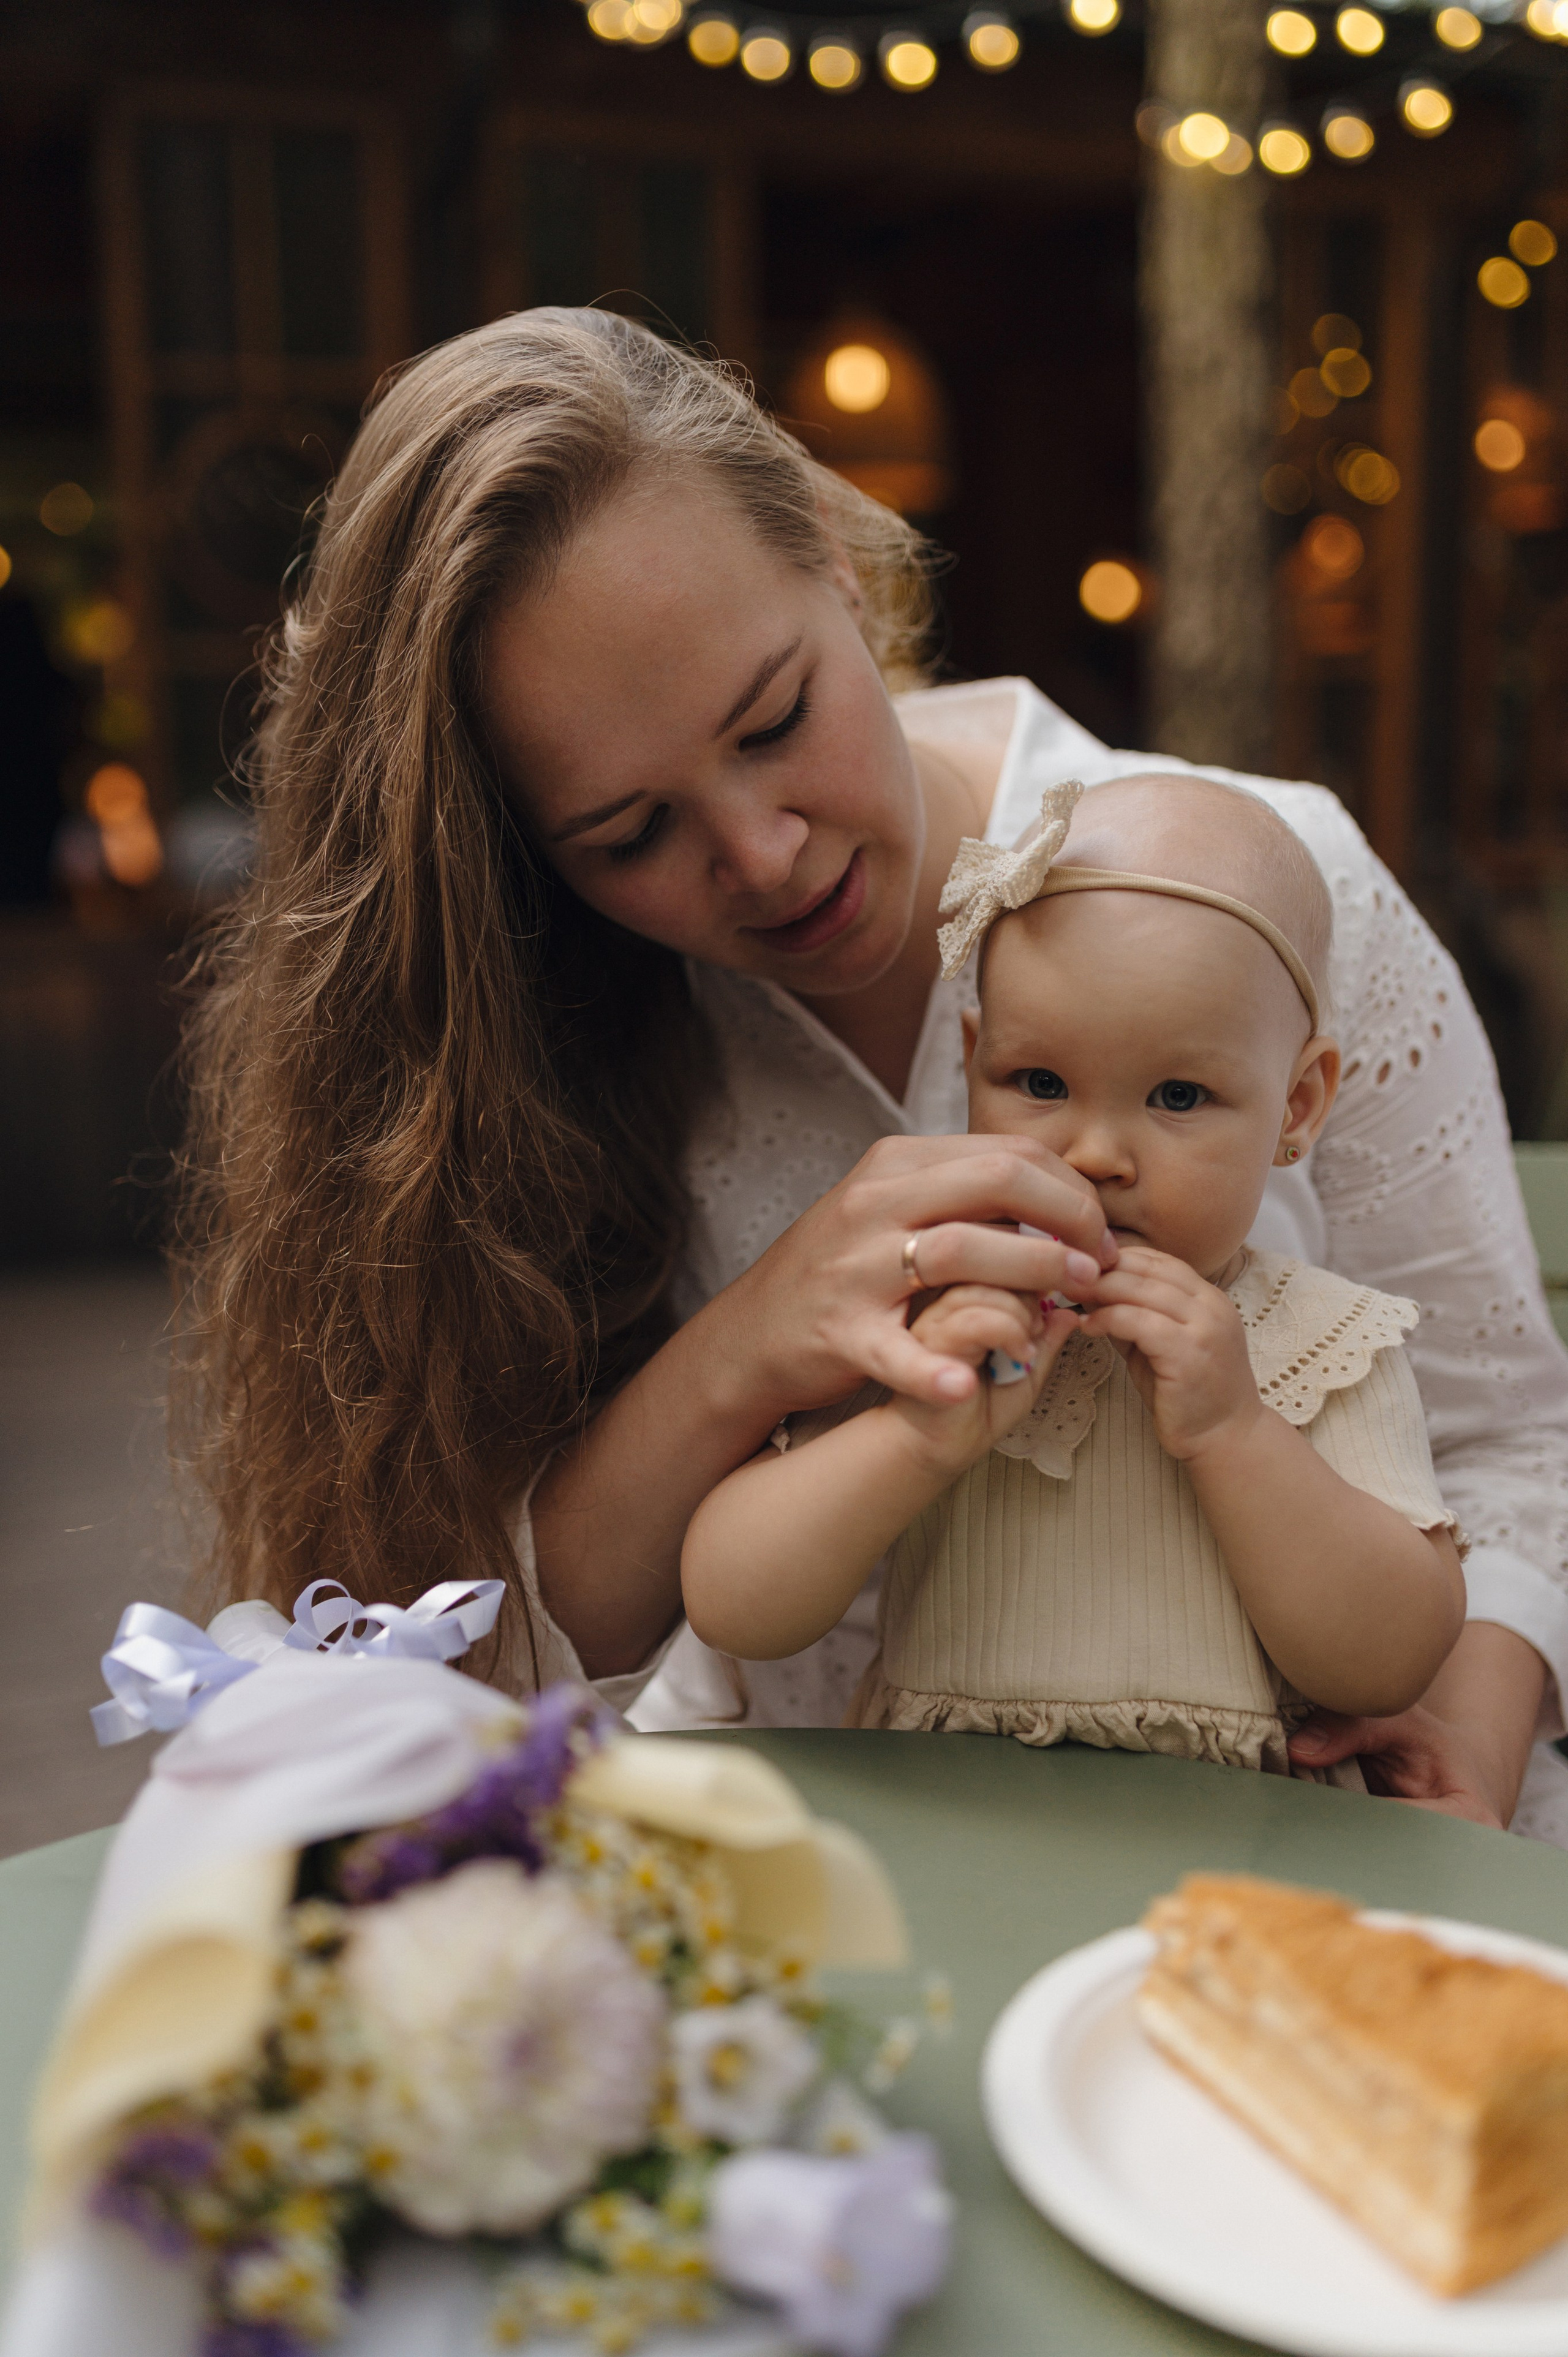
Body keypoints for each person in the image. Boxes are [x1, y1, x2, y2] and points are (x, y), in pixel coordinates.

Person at [175, 306, 1568, 1840]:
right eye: (628, 834)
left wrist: (1470, 1741)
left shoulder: (1268, 898)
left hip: (1291, 1853)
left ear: (842, 575)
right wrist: (744, 1350)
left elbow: (1507, 1440)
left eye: (776, 718)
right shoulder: (539, 1037)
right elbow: (460, 1644)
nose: (763, 856)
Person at [681, 775, 1466, 1770]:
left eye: (1179, 1095)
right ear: (974, 1067)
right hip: (959, 1838)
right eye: (1040, 1083)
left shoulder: (1319, 1341)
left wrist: (1236, 1431)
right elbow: (733, 1605)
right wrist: (914, 1437)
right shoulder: (922, 1314)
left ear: (1299, 1106)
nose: (1096, 1153)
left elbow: (1390, 1662)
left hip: (1235, 1853)